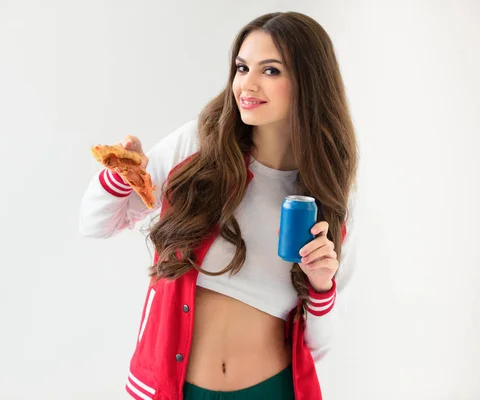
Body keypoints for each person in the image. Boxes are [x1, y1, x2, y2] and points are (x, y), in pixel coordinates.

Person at [79, 11, 358, 400]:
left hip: (272, 390)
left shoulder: (326, 195)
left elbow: (321, 344)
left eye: (271, 71)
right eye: (242, 67)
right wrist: (122, 174)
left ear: (309, 82)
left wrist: (321, 286)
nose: (248, 84)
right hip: (176, 389)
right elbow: (95, 223)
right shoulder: (198, 146)